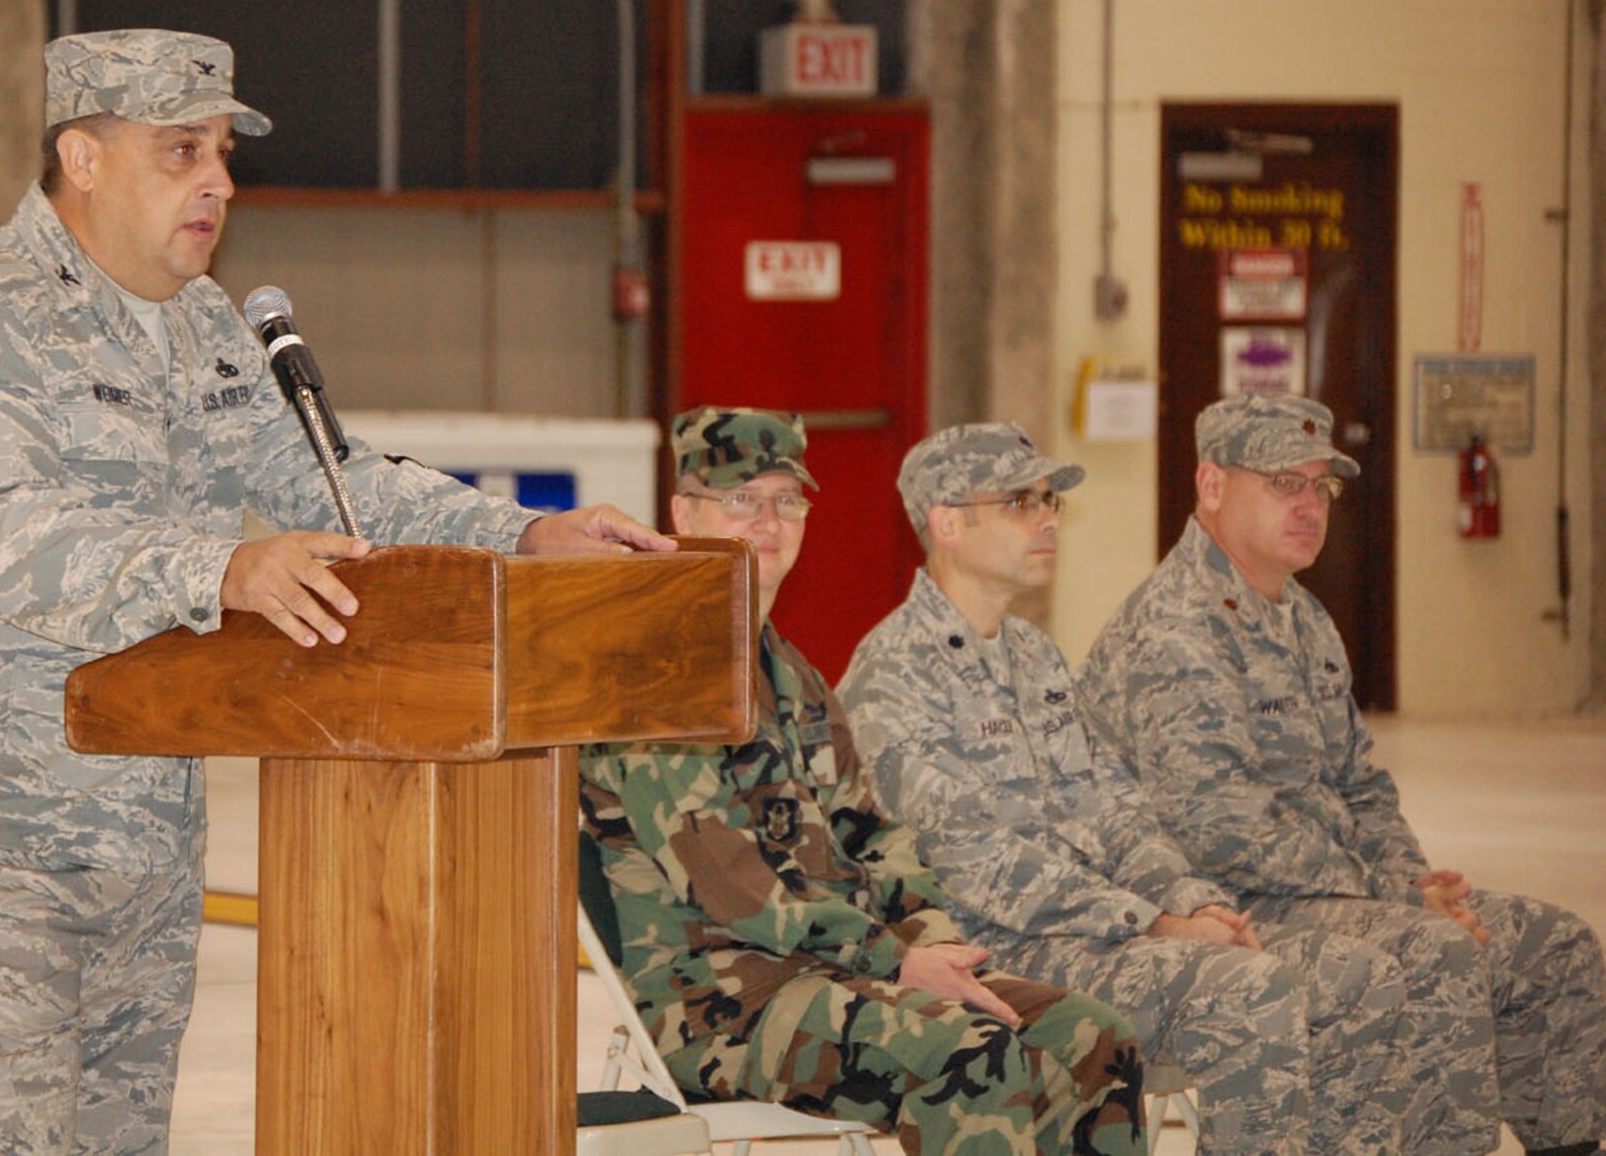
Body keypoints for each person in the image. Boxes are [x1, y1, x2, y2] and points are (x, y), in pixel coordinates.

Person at [0, 28, 671, 1154]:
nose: (216, 181)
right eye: (180, 151)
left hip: (139, 833)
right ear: (82, 159)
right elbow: (7, 536)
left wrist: (526, 533)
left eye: (221, 151)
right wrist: (218, 568)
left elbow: (331, 479)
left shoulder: (205, 329)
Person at [578, 406, 1148, 1156]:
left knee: (1094, 1037)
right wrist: (899, 959)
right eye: (741, 499)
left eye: (787, 499)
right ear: (682, 512)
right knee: (974, 1056)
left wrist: (932, 941)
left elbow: (873, 831)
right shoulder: (656, 669)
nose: (769, 520)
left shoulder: (791, 670)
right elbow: (737, 889)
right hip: (722, 1001)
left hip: (838, 971)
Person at [838, 421, 1411, 1154]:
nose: (1048, 518)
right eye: (1020, 501)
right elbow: (972, 863)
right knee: (1253, 991)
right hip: (992, 951)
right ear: (948, 523)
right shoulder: (894, 671)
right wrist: (1148, 921)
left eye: (1050, 499)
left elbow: (1115, 807)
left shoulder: (1034, 655)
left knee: (1356, 976)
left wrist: (1186, 896)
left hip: (1093, 930)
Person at [1082, 392, 1606, 1156]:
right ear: (1212, 486)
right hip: (1226, 903)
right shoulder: (1175, 628)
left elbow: (1362, 783)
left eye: (1320, 485)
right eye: (1283, 483)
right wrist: (1398, 897)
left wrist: (1412, 879)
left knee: (1558, 946)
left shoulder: (1303, 617)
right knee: (1438, 953)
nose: (1310, 505)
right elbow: (1221, 829)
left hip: (1337, 886)